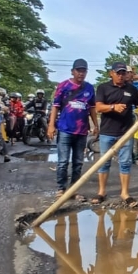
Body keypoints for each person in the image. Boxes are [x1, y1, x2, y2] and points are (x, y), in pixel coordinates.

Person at [93, 62, 138, 207]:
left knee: (125, 163)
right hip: (107, 132)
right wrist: (113, 107)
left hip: (126, 132)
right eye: (118, 73)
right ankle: (101, 192)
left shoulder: (132, 89)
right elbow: (98, 107)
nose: (121, 76)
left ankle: (125, 193)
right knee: (104, 163)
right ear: (111, 73)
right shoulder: (103, 87)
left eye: (123, 73)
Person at [48, 59, 98, 197]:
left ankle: (73, 189)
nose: (81, 73)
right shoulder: (63, 86)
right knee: (63, 162)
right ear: (72, 71)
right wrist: (51, 125)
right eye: (78, 70)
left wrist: (96, 125)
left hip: (81, 132)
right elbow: (55, 106)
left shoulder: (89, 88)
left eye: (84, 71)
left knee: (78, 162)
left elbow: (92, 108)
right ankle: (61, 188)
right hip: (65, 129)